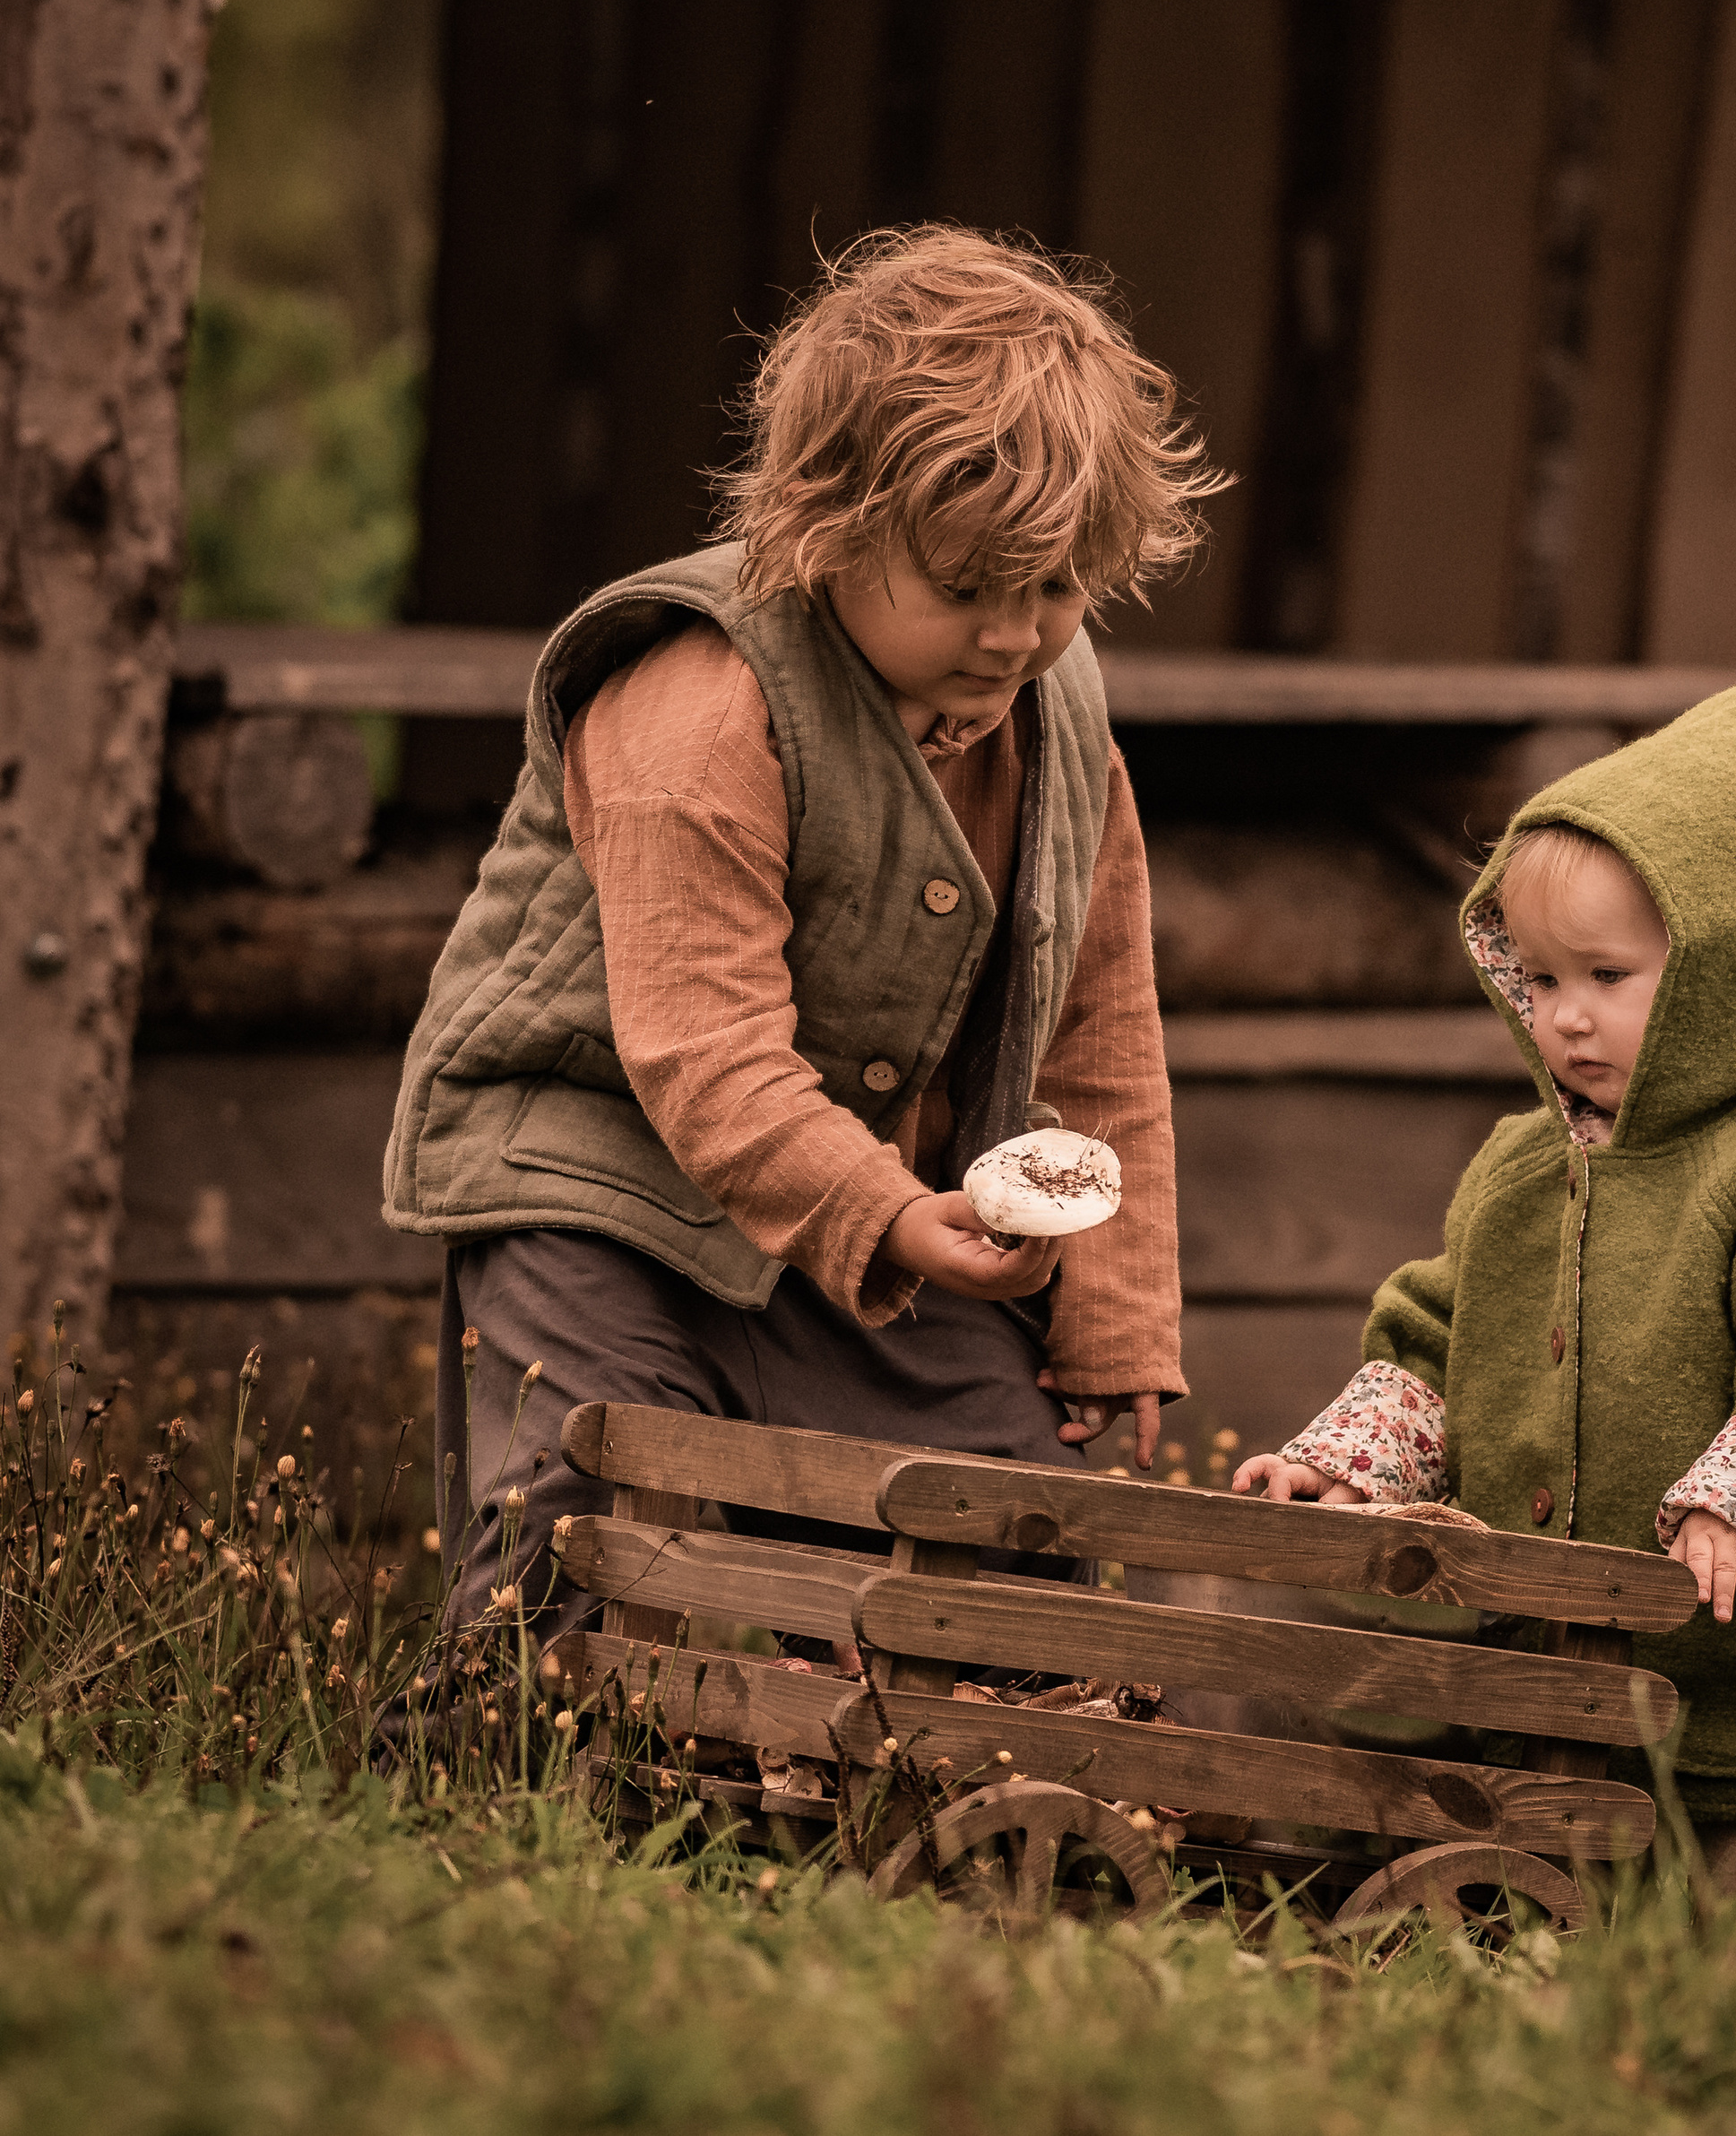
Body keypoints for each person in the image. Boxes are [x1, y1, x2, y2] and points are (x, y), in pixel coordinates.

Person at [385, 226, 1223, 1646]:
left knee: (1010, 1557)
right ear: (830, 527)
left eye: (1057, 586)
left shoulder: (1058, 713)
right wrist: (888, 1214)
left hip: (861, 1206)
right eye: (967, 588)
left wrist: (1116, 1309)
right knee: (586, 1527)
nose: (1014, 635)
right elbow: (701, 1053)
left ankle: (889, 1753)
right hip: (603, 1187)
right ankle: (515, 1761)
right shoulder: (700, 704)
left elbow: (1096, 1019)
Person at [1233, 626, 1736, 2016]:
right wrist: (1352, 1463)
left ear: (1725, 961)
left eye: (1608, 978)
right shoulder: (1524, 1163)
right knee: (1560, 1880)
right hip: (1562, 1659)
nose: (1565, 1019)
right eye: (1542, 977)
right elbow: (1439, 1331)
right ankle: (1579, 2051)